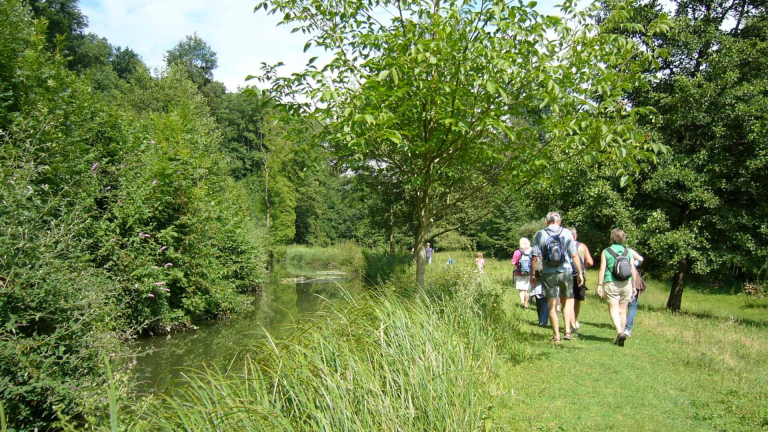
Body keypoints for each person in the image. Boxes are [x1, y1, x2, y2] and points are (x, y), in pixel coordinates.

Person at [530, 212, 584, 342]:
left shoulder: (540, 234)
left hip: (549, 273)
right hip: (565, 271)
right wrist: (580, 273)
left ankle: (556, 336)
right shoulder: (566, 233)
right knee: (566, 302)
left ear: (546, 221)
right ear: (559, 221)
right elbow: (574, 255)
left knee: (552, 304)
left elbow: (534, 257)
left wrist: (532, 274)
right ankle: (567, 332)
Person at [596, 228, 638, 347]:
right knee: (623, 311)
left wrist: (599, 285)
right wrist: (634, 286)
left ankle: (620, 333)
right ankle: (621, 334)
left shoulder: (606, 251)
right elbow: (632, 270)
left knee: (613, 309)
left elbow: (602, 269)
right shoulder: (627, 252)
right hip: (626, 283)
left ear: (612, 238)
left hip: (611, 282)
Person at [567, 227, 594, 334]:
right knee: (577, 300)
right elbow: (590, 262)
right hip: (579, 276)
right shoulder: (582, 246)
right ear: (575, 235)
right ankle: (574, 322)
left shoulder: (562, 245)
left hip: (566, 274)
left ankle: (571, 323)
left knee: (569, 299)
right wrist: (582, 268)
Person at [624, 247, 645, 337]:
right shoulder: (628, 250)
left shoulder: (612, 250)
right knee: (632, 306)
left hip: (619, 279)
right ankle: (627, 329)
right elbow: (641, 259)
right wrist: (635, 263)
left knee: (620, 304)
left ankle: (620, 324)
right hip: (632, 278)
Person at [511, 238, 533, 308]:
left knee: (521, 289)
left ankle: (522, 302)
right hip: (529, 272)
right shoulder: (531, 250)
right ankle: (526, 304)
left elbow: (513, 262)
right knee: (527, 289)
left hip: (519, 272)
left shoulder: (517, 252)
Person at [530, 259, 548, 326]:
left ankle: (542, 320)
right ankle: (543, 321)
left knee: (539, 298)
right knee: (545, 299)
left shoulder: (535, 249)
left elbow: (533, 260)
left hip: (537, 274)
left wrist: (532, 274)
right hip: (548, 272)